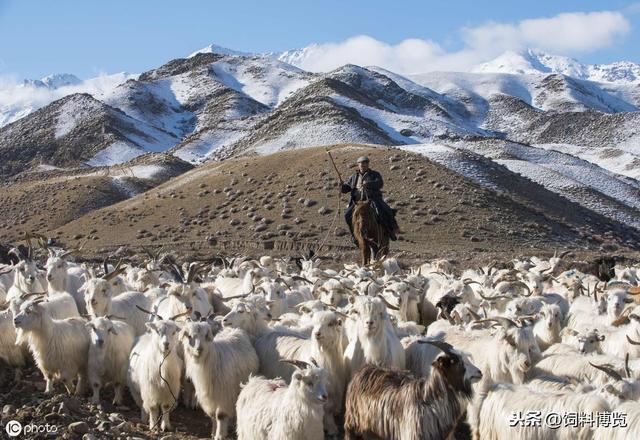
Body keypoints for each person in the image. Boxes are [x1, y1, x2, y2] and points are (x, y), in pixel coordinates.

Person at [341, 156, 400, 242]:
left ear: (368, 164)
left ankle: (390, 231)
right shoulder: (354, 176)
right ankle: (354, 235)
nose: (363, 165)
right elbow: (347, 188)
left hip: (372, 200)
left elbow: (379, 184)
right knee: (347, 215)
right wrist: (342, 187)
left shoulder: (375, 174)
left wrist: (368, 184)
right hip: (357, 202)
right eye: (361, 163)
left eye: (365, 163)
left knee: (383, 211)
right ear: (358, 165)